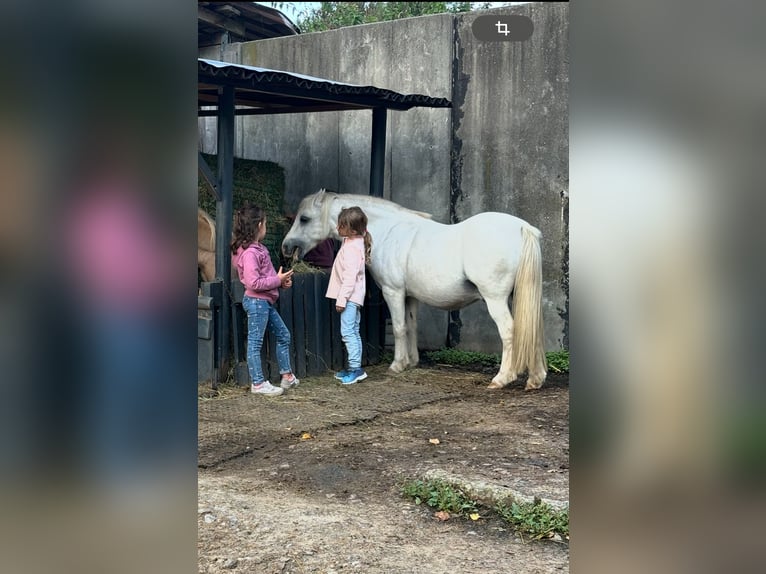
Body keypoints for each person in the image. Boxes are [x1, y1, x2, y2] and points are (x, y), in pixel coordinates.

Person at [231, 204, 299, 396]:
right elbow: (253, 283)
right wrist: (277, 280)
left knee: (283, 335)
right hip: (257, 302)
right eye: (266, 223)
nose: (266, 227)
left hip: (264, 302)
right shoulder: (251, 253)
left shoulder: (258, 249)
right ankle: (258, 383)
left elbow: (264, 279)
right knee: (255, 343)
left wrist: (279, 282)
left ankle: (287, 376)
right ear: (260, 224)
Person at [326, 206, 373, 385]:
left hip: (350, 298)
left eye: (342, 226)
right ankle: (355, 367)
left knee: (348, 333)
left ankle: (355, 369)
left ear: (352, 230)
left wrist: (342, 299)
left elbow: (349, 277)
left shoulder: (353, 248)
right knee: (353, 331)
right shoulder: (353, 241)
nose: (338, 229)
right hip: (354, 298)